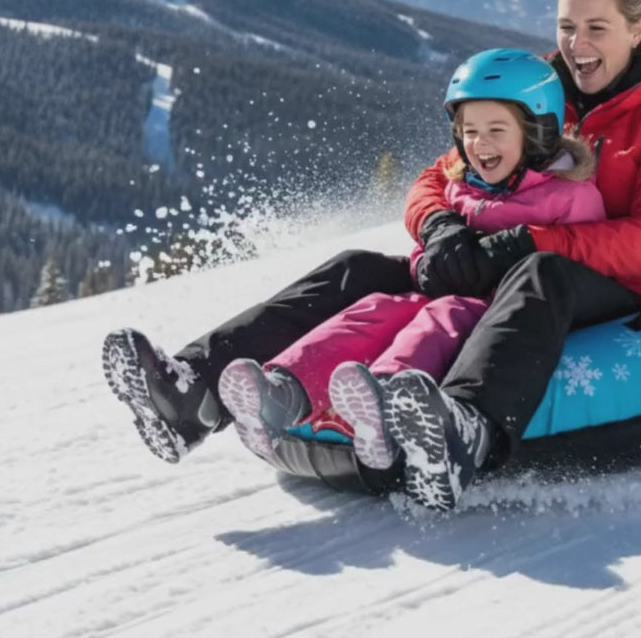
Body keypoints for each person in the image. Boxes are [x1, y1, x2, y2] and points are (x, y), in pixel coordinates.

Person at [102, 0, 641, 512]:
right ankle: (193, 394)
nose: (577, 45)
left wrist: (528, 243)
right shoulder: (539, 84)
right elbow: (439, 173)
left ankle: (464, 430)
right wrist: (442, 226)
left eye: (596, 29)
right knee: (357, 267)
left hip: (600, 279)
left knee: (542, 274)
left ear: (638, 30)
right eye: (566, 27)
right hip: (491, 256)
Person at [214, 49, 605, 472]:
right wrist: (428, 261)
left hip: (499, 314)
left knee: (440, 318)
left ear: (537, 132)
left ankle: (384, 405)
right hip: (439, 293)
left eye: (497, 129)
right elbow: (431, 237)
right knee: (375, 308)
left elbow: (575, 267)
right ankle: (284, 392)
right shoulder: (463, 188)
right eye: (469, 131)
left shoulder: (570, 196)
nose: (480, 143)